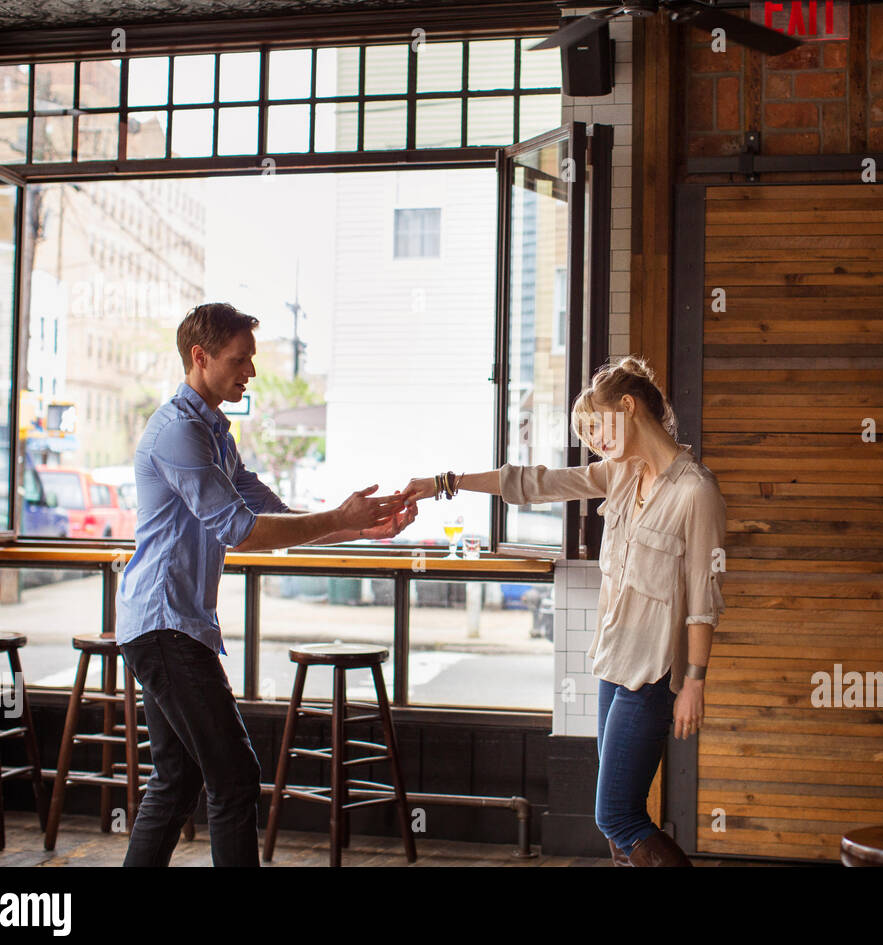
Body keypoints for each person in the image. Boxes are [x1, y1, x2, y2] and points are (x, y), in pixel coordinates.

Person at [114, 303, 416, 866]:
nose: (249, 371)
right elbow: (241, 531)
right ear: (200, 358)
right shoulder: (179, 433)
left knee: (178, 779)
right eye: (240, 359)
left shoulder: (214, 434)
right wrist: (340, 518)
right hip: (163, 627)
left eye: (251, 359)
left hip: (171, 626)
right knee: (233, 778)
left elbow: (276, 520)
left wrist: (359, 527)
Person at [403, 355, 726, 866]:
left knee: (616, 814)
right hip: (611, 667)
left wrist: (695, 681)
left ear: (628, 406)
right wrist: (445, 482)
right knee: (620, 826)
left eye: (596, 426)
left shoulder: (696, 491)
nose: (593, 441)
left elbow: (703, 602)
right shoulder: (621, 475)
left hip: (653, 676)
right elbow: (538, 482)